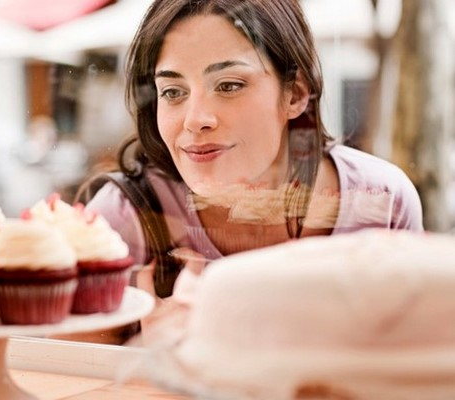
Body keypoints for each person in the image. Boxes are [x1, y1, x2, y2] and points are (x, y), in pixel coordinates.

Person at [76, 0, 423, 344]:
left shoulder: (382, 202)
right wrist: (148, 369)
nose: (196, 120)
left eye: (229, 85)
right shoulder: (122, 221)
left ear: (295, 94)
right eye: (173, 92)